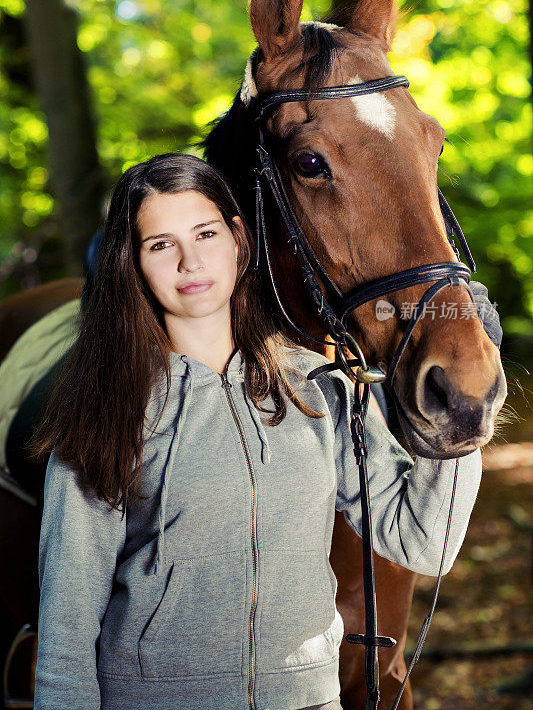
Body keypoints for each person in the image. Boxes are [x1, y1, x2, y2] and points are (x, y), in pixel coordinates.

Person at [32, 153, 487, 710]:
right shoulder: (105, 415)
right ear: (133, 264)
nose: (190, 261)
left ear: (238, 239)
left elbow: (423, 540)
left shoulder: (320, 388)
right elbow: (66, 638)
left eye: (205, 233)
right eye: (161, 244)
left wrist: (466, 405)